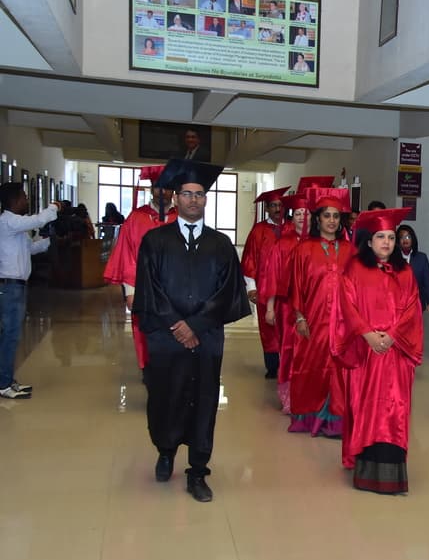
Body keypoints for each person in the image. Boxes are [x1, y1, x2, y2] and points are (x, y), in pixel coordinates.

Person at [133, 159, 250, 503]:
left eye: (200, 194)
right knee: (165, 396)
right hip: (165, 338)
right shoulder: (155, 241)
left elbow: (228, 291)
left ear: (205, 199)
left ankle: (198, 470)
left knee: (203, 401)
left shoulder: (221, 244)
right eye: (187, 194)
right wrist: (177, 325)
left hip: (206, 338)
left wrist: (196, 325)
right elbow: (149, 289)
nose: (194, 200)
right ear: (175, 197)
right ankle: (166, 450)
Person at [333, 208, 422, 494]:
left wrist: (393, 336)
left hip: (395, 355)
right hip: (366, 353)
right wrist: (369, 335)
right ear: (369, 242)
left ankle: (392, 475)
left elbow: (412, 310)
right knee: (367, 407)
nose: (387, 242)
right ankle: (366, 471)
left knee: (394, 410)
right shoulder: (355, 269)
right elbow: (347, 306)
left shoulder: (405, 273)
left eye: (391, 237)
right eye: (380, 237)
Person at [287, 192, 355, 437]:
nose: (332, 221)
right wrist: (300, 317)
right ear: (317, 219)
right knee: (312, 368)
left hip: (343, 323)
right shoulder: (304, 249)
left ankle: (335, 422)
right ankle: (309, 419)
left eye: (336, 216)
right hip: (313, 320)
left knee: (339, 371)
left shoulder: (350, 250)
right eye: (327, 216)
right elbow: (296, 285)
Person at [103, 165, 177, 376]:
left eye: (167, 188)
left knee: (175, 331)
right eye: (158, 187)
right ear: (151, 189)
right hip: (144, 288)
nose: (163, 192)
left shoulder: (181, 218)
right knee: (145, 332)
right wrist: (130, 292)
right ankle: (149, 372)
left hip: (175, 289)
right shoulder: (136, 219)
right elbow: (127, 255)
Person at [0, 183, 61, 400]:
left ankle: (6, 380)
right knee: (9, 336)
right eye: (24, 197)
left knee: (12, 336)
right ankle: (3, 383)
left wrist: (49, 242)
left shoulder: (15, 227)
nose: (27, 201)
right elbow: (38, 219)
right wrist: (53, 207)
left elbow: (30, 248)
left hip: (16, 287)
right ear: (14, 201)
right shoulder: (8, 221)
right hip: (9, 288)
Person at [260, 190, 311, 413]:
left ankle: (311, 395)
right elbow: (271, 276)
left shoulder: (318, 243)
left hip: (313, 307)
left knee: (311, 351)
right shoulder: (282, 243)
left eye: (306, 212)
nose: (301, 216)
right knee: (289, 350)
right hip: (287, 306)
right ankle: (290, 397)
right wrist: (270, 308)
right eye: (298, 213)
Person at [241, 185, 289, 378]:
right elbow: (249, 259)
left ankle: (287, 365)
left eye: (280, 205)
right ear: (267, 209)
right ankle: (272, 366)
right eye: (273, 206)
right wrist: (252, 288)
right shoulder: (259, 231)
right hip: (265, 287)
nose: (277, 209)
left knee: (287, 326)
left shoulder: (292, 228)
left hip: (288, 290)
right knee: (268, 327)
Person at [396, 224, 429, 311]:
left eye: (408, 237)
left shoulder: (421, 257)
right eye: (402, 237)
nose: (405, 240)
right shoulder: (393, 258)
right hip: (397, 304)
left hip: (416, 303)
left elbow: (428, 280)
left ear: (413, 239)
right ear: (398, 241)